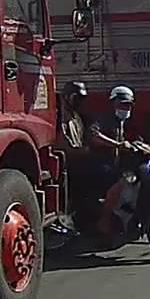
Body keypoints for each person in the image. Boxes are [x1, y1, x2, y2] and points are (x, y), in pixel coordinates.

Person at [87, 86, 142, 243]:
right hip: (99, 165)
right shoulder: (105, 119)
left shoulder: (123, 122)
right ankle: (104, 222)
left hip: (113, 164)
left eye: (128, 105)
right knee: (122, 181)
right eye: (122, 105)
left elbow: (136, 139)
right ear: (113, 103)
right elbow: (93, 135)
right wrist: (117, 144)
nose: (126, 108)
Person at [51, 81, 91, 235]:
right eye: (77, 98)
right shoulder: (59, 114)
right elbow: (62, 142)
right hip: (65, 162)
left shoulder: (75, 115)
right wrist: (80, 151)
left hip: (77, 161)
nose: (80, 102)